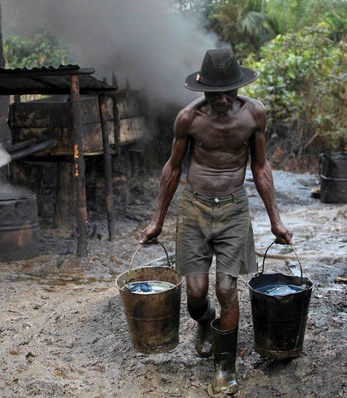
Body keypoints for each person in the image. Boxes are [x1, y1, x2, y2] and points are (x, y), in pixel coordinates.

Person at [139, 48, 293, 395]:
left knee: (227, 288)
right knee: (195, 294)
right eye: (215, 93)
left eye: (229, 91)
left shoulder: (254, 114)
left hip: (234, 210)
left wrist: (276, 221)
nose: (222, 100)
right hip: (194, 208)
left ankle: (225, 369)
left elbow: (260, 166)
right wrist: (157, 221)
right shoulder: (188, 119)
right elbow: (173, 168)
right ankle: (206, 324)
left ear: (239, 87)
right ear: (202, 89)